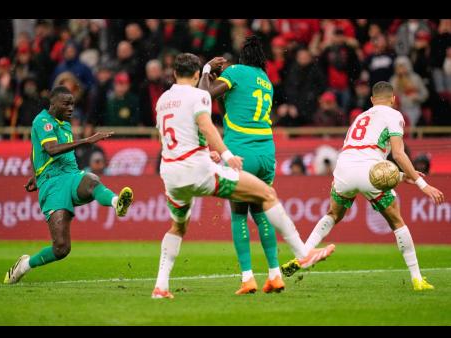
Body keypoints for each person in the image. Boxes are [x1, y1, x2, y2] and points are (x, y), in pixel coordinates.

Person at [151, 53, 335, 299]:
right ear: (197, 75)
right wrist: (226, 156)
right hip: (200, 169)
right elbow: (206, 126)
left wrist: (204, 152)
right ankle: (303, 254)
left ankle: (161, 287)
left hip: (171, 173)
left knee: (178, 226)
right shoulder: (200, 95)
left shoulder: (162, 100)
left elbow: (168, 139)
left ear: (174, 74)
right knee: (267, 194)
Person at [280, 81, 445, 291]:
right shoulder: (394, 115)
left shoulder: (361, 116)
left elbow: (361, 152)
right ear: (393, 99)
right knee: (397, 221)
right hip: (369, 170)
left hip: (344, 168)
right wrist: (423, 185)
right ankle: (417, 279)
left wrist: (403, 176)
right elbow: (398, 154)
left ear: (372, 100)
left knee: (333, 214)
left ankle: (303, 254)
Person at [3, 86, 134, 285]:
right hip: (52, 183)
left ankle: (117, 203)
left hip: (71, 175)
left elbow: (34, 149)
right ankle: (25, 264)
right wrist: (87, 141)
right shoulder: (42, 120)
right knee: (61, 248)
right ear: (53, 103)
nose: (71, 108)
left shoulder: (64, 124)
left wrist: (33, 172)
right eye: (66, 104)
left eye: (73, 103)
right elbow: (51, 149)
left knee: (91, 180)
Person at [198, 36, 284, 294]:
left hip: (241, 152)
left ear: (241, 56)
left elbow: (202, 98)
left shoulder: (235, 71)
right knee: (260, 211)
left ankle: (248, 278)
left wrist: (205, 71)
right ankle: (275, 274)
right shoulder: (266, 81)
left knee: (238, 214)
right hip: (266, 151)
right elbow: (234, 107)